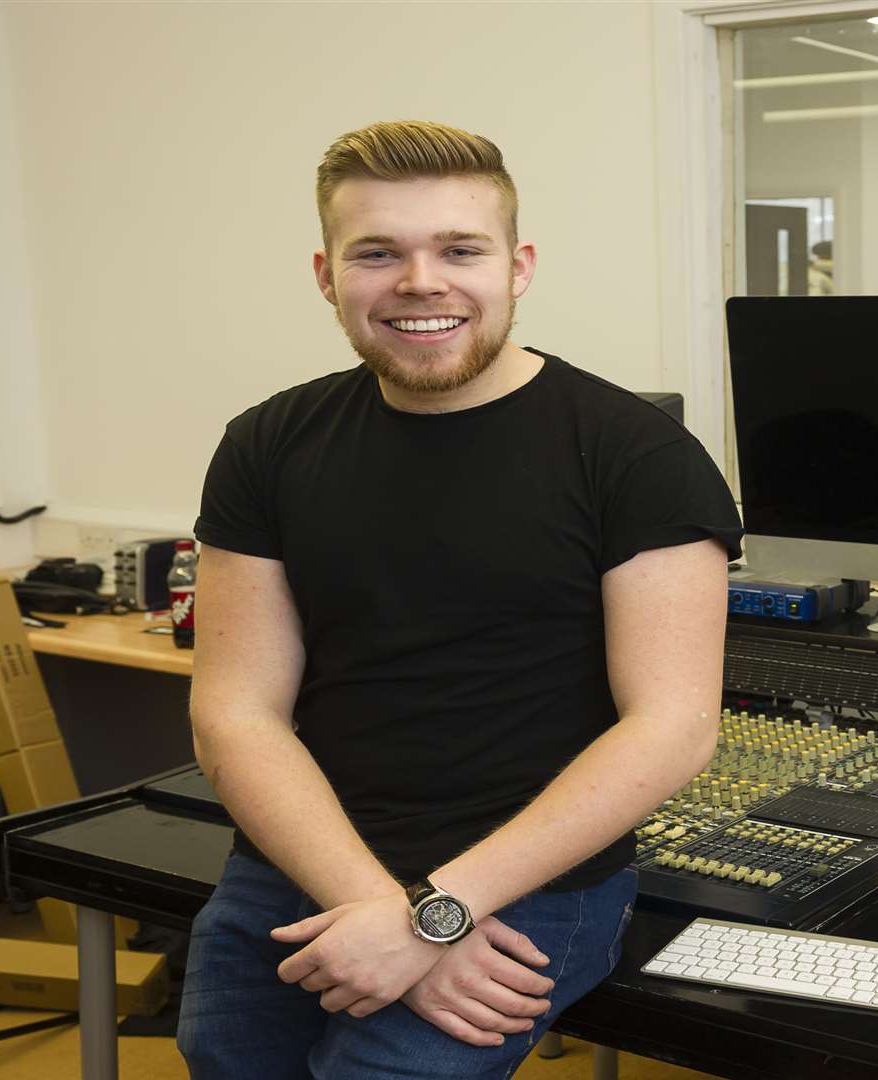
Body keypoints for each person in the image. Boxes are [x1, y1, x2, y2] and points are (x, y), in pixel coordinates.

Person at [175, 120, 743, 1079]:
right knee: (223, 1055)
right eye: (378, 254)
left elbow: (672, 728)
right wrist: (385, 913)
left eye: (459, 249)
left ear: (518, 266)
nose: (420, 282)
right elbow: (234, 712)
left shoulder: (636, 457)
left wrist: (438, 911)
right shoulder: (267, 443)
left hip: (529, 879)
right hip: (306, 859)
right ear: (327, 274)